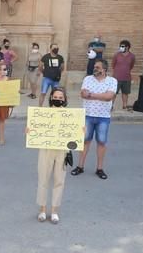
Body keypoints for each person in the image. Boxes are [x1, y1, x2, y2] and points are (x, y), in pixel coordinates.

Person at [71, 59, 117, 180]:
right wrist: (101, 95)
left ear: (104, 69)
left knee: (101, 142)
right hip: (88, 115)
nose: (94, 69)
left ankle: (99, 168)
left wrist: (91, 95)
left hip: (104, 116)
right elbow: (83, 94)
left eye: (97, 67)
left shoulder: (112, 81)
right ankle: (80, 166)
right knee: (85, 141)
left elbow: (109, 97)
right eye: (94, 67)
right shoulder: (87, 79)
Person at [34, 87, 70, 224]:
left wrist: (81, 132)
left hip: (62, 150)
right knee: (43, 178)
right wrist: (30, 130)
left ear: (65, 100)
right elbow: (35, 133)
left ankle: (54, 210)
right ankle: (42, 209)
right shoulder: (42, 114)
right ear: (51, 98)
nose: (58, 100)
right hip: (46, 148)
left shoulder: (70, 116)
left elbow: (75, 139)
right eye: (56, 97)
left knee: (59, 180)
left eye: (61, 98)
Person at [112, 40, 135, 111]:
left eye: (122, 46)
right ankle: (111, 105)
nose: (120, 48)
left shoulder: (132, 56)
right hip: (116, 77)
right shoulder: (116, 55)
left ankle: (124, 105)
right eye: (120, 46)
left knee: (125, 92)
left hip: (127, 77)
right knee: (114, 93)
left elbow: (131, 65)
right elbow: (113, 64)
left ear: (127, 47)